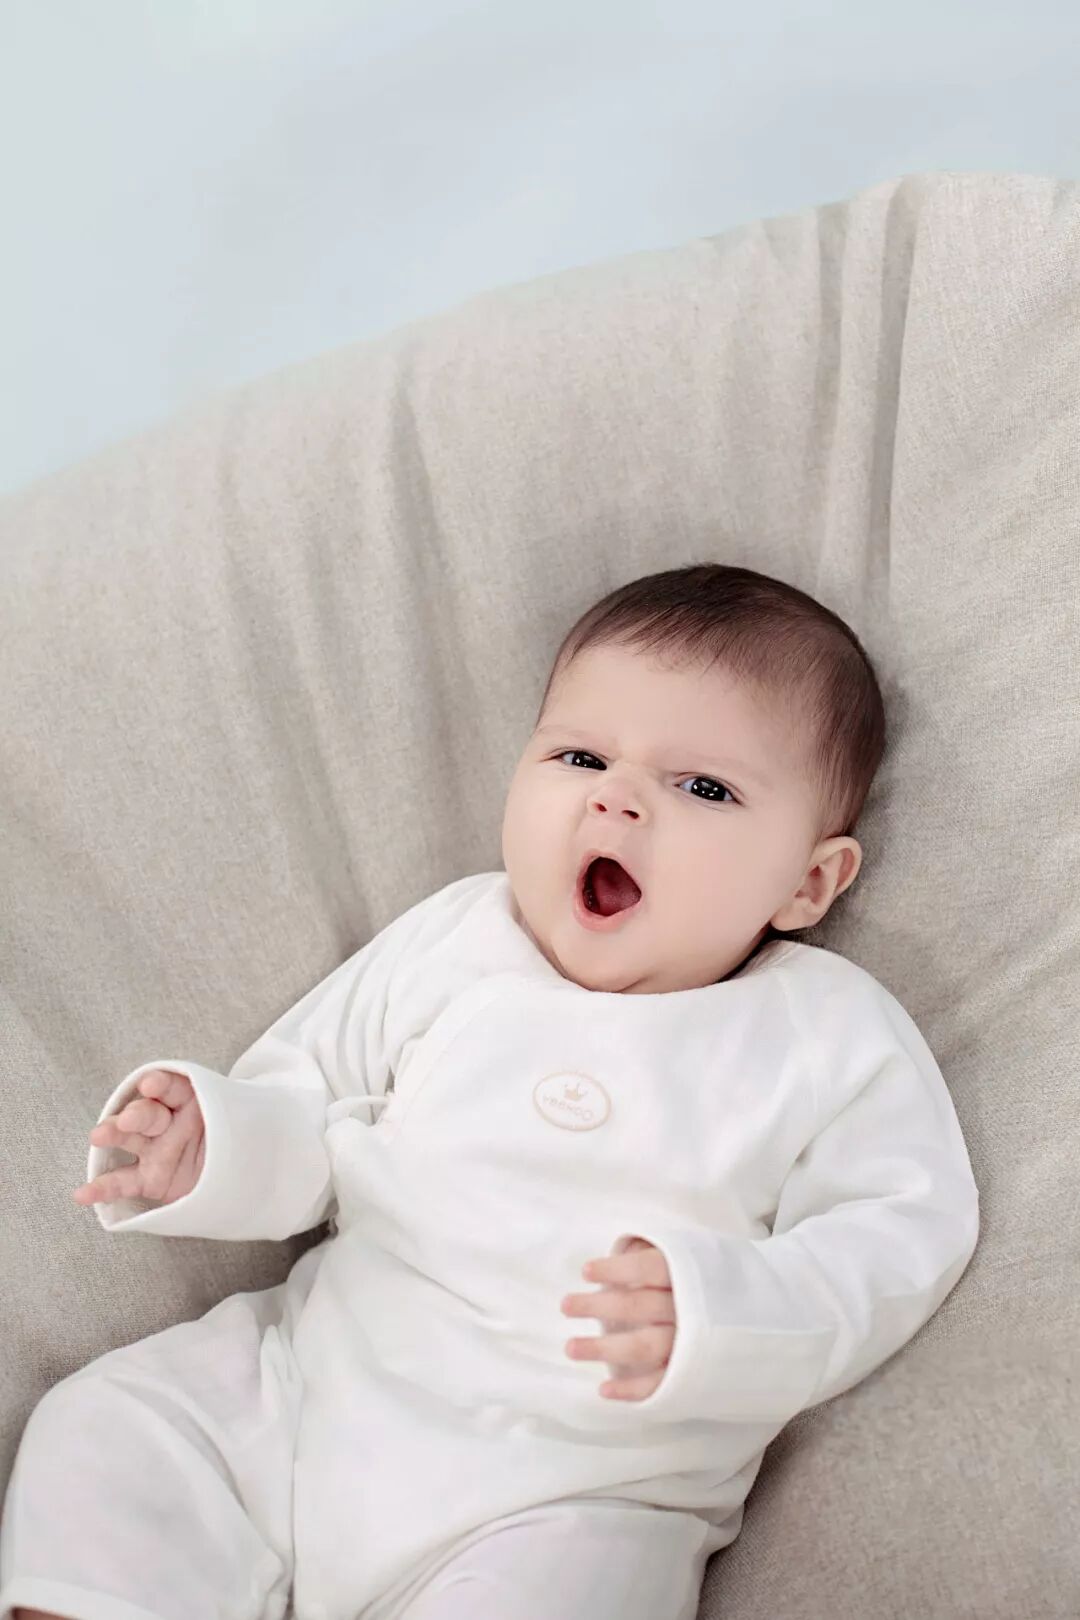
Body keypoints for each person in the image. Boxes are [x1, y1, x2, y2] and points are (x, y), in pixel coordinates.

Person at [0, 563, 981, 1620]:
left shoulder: (822, 1030)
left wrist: (728, 1312)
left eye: (704, 788)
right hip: (313, 1387)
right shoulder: (460, 937)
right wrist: (216, 1145)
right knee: (110, 1426)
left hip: (574, 1487)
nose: (616, 797)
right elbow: (308, 1095)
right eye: (581, 757)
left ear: (810, 882)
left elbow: (900, 1232)